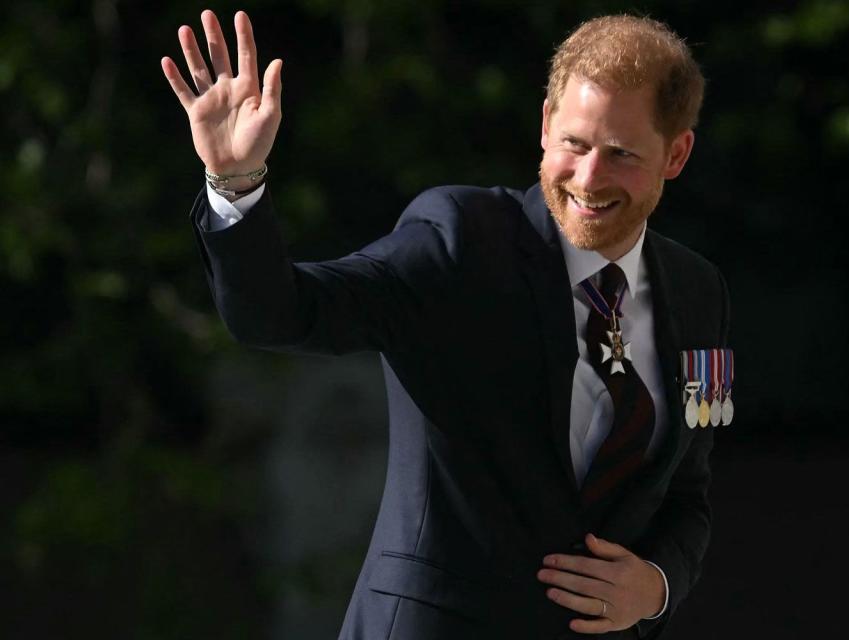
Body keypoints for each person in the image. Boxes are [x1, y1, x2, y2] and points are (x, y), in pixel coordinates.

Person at [162, 10, 730, 640]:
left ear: (675, 153)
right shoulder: (459, 241)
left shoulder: (699, 294)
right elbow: (283, 314)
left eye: (621, 153)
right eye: (575, 143)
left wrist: (658, 586)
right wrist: (236, 182)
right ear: (545, 125)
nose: (589, 178)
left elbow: (687, 492)